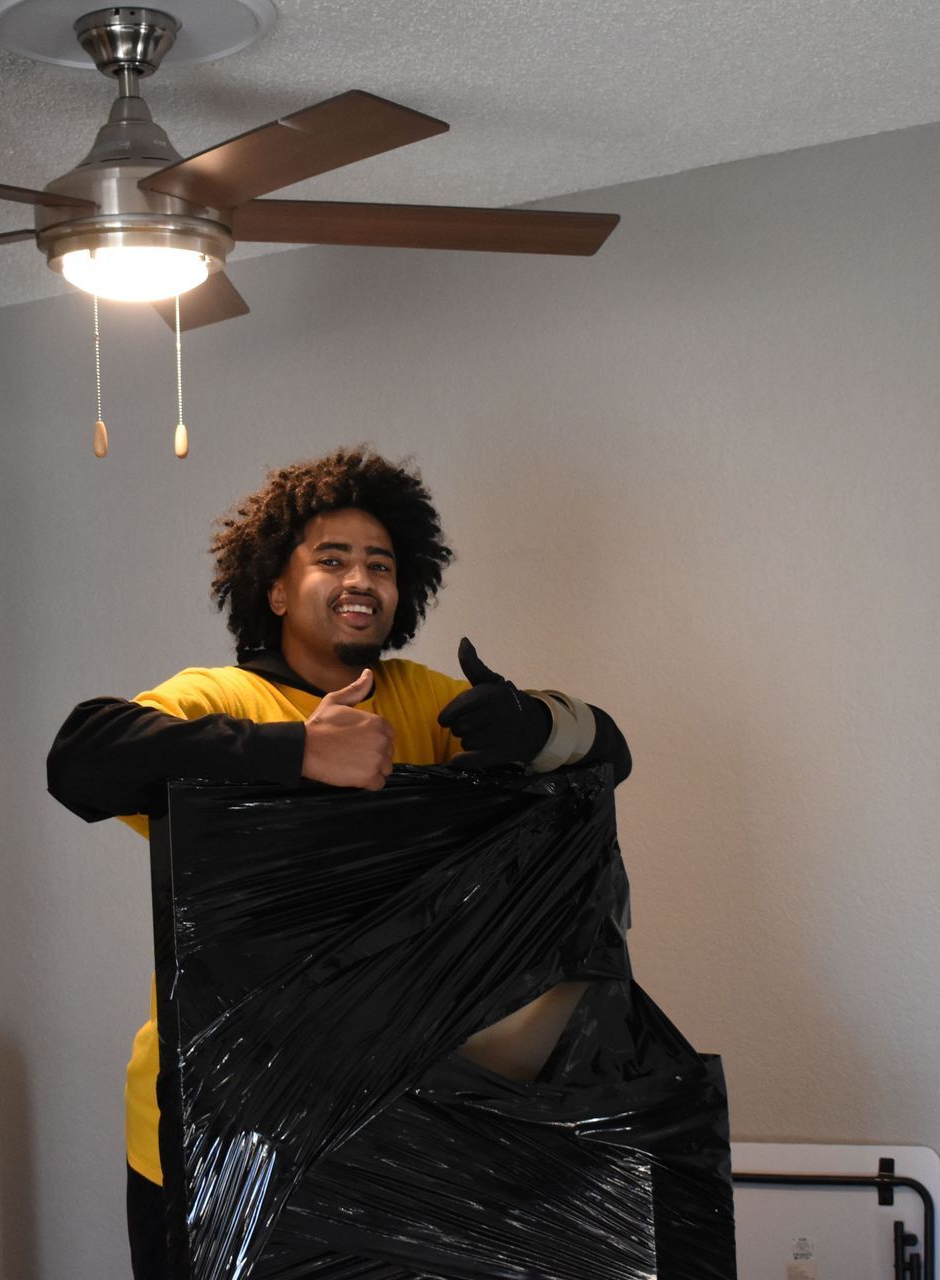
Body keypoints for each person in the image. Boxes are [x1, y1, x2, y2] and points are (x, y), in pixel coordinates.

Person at [44, 445, 631, 1280]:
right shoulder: (221, 701)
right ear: (276, 589)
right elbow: (81, 759)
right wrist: (294, 752)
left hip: (397, 1121)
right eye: (332, 559)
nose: (361, 580)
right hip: (221, 1128)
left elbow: (611, 756)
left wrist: (537, 726)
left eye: (381, 565)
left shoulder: (424, 702)